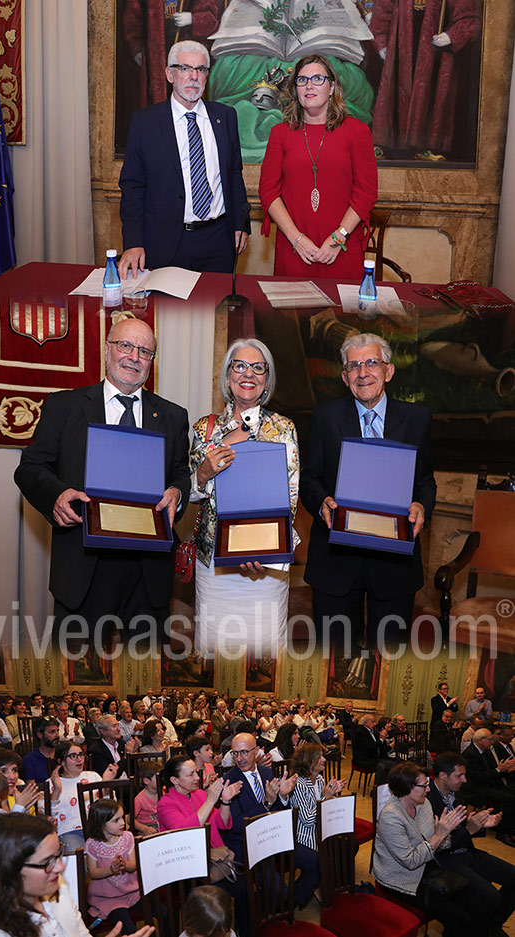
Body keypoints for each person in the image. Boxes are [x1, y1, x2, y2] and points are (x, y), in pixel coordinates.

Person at [14, 317, 190, 642]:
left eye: (145, 351)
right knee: (77, 680)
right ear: (107, 349)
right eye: (125, 346)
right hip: (84, 566)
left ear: (152, 362)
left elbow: (181, 471)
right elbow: (29, 468)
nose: (133, 357)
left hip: (147, 570)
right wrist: (56, 495)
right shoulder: (64, 406)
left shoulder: (172, 416)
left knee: (146, 681)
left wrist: (178, 491)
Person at [300, 332, 436, 657]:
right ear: (345, 377)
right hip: (335, 562)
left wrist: (422, 505)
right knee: (335, 662)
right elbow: (309, 479)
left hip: (394, 565)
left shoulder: (417, 419)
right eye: (354, 366)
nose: (363, 372)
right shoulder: (325, 418)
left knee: (387, 663)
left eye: (371, 363)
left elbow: (426, 480)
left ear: (388, 371)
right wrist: (321, 503)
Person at [190, 338, 299, 656]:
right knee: (213, 654)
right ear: (227, 377)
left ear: (266, 380)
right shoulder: (204, 430)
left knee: (264, 658)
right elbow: (190, 494)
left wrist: (265, 554)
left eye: (258, 367)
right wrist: (203, 474)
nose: (247, 373)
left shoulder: (284, 429)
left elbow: (291, 497)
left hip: (265, 567)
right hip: (215, 570)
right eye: (239, 365)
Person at [118, 40, 249, 278]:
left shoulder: (225, 117)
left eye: (200, 70)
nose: (194, 77)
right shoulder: (145, 123)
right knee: (168, 313)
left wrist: (241, 225)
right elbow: (132, 186)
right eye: (185, 68)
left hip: (219, 241)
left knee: (215, 313)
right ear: (170, 74)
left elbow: (233, 175)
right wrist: (133, 242)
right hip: (166, 242)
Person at [259, 54, 377, 279]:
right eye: (302, 80)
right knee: (290, 314)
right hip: (294, 250)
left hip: (341, 250)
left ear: (332, 87)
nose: (309, 85)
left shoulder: (358, 132)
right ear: (295, 89)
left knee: (340, 314)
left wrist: (338, 238)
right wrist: (297, 240)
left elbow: (366, 193)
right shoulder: (279, 134)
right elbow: (268, 192)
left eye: (317, 79)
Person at [0, 812, 154, 937]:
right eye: (47, 862)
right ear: (9, 869)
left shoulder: (56, 887)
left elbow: (80, 932)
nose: (60, 867)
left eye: (58, 855)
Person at [372, 762, 479, 937]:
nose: (428, 790)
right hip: (400, 877)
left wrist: (444, 835)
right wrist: (439, 836)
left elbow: (435, 844)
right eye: (424, 786)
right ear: (408, 788)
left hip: (425, 866)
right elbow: (410, 861)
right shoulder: (390, 816)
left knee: (473, 901)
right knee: (460, 918)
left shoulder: (422, 805)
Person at [370, 0, 481, 159]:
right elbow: (382, 10)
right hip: (401, 44)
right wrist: (381, 42)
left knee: (429, 96)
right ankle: (385, 145)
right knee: (394, 95)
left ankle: (425, 148)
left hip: (434, 48)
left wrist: (451, 36)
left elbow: (468, 17)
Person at [157, 757, 247, 936]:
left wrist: (226, 801)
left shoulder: (199, 794)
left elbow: (221, 822)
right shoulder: (165, 804)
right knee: (216, 900)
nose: (197, 778)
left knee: (244, 888)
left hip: (212, 859)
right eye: (190, 774)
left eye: (196, 773)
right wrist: (210, 801)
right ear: (175, 780)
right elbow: (185, 833)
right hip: (186, 867)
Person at [428, 752, 515, 936]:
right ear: (443, 776)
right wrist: (470, 830)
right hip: (445, 858)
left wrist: (481, 825)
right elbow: (440, 843)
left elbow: (462, 830)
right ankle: (484, 928)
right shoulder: (426, 800)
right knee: (490, 897)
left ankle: (491, 925)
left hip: (464, 850)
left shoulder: (454, 795)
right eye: (459, 775)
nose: (465, 780)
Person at [221, 732, 296, 863]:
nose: (239, 759)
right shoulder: (229, 781)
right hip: (247, 844)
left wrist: (283, 795)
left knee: (314, 861)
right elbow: (237, 825)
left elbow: (278, 811)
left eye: (244, 752)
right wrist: (265, 803)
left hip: (272, 836)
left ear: (256, 751)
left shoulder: (266, 772)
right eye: (235, 753)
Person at [288, 742, 346, 907]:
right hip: (302, 836)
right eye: (319, 756)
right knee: (321, 859)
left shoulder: (319, 779)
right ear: (308, 761)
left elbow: (321, 809)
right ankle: (294, 898)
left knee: (348, 846)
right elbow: (306, 819)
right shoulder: (298, 784)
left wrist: (331, 796)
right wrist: (325, 798)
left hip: (319, 831)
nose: (323, 759)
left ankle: (327, 886)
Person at [49, 740, 119, 853]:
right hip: (69, 832)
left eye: (81, 754)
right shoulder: (52, 783)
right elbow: (48, 817)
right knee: (78, 854)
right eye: (73, 756)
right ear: (61, 761)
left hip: (99, 829)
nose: (79, 759)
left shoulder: (93, 776)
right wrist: (56, 791)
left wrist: (106, 784)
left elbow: (111, 807)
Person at [85, 800, 141, 934]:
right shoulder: (92, 844)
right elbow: (93, 873)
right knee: (128, 928)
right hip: (108, 897)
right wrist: (110, 870)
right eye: (116, 820)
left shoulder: (127, 837)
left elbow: (133, 866)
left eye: (122, 817)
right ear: (101, 825)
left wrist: (125, 865)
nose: (122, 822)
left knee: (163, 912)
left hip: (132, 891)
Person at [461, 728, 515, 847]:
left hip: (486, 783)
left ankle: (507, 825)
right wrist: (499, 769)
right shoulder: (471, 754)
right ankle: (502, 833)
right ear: (480, 740)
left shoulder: (484, 751)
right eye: (490, 739)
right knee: (508, 798)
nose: (492, 742)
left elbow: (492, 771)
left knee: (511, 792)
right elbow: (479, 777)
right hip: (474, 788)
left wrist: (503, 769)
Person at [0, 747, 39, 814]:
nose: (12, 777)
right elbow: (5, 824)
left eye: (14, 770)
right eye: (3, 771)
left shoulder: (18, 799)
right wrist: (20, 807)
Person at [22, 717, 60, 784]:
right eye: (52, 732)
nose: (57, 735)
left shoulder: (63, 753)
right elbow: (32, 789)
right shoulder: (30, 760)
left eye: (58, 731)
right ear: (40, 735)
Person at [134, 761, 162, 835]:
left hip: (161, 824)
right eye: (157, 778)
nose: (161, 780)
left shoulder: (163, 792)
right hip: (147, 826)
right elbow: (130, 820)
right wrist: (144, 828)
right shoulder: (139, 799)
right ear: (146, 781)